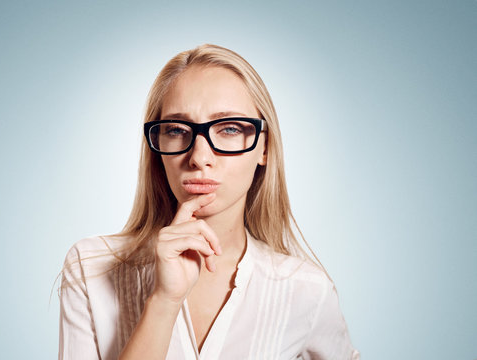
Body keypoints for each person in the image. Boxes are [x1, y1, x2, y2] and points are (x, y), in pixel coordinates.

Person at [58, 44, 360, 360]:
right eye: (176, 129)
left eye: (229, 128)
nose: (199, 158)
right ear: (156, 146)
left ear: (264, 148)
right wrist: (164, 301)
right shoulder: (91, 267)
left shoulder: (306, 289)